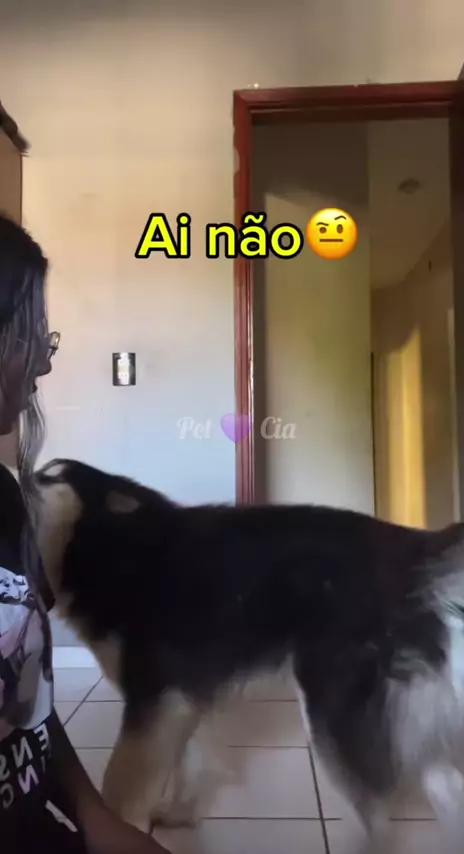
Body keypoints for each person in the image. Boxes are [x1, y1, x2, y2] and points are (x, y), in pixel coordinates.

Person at [0, 213, 171, 853]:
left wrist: (94, 815)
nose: (45, 364)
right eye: (33, 334)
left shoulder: (5, 499)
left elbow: (31, 703)